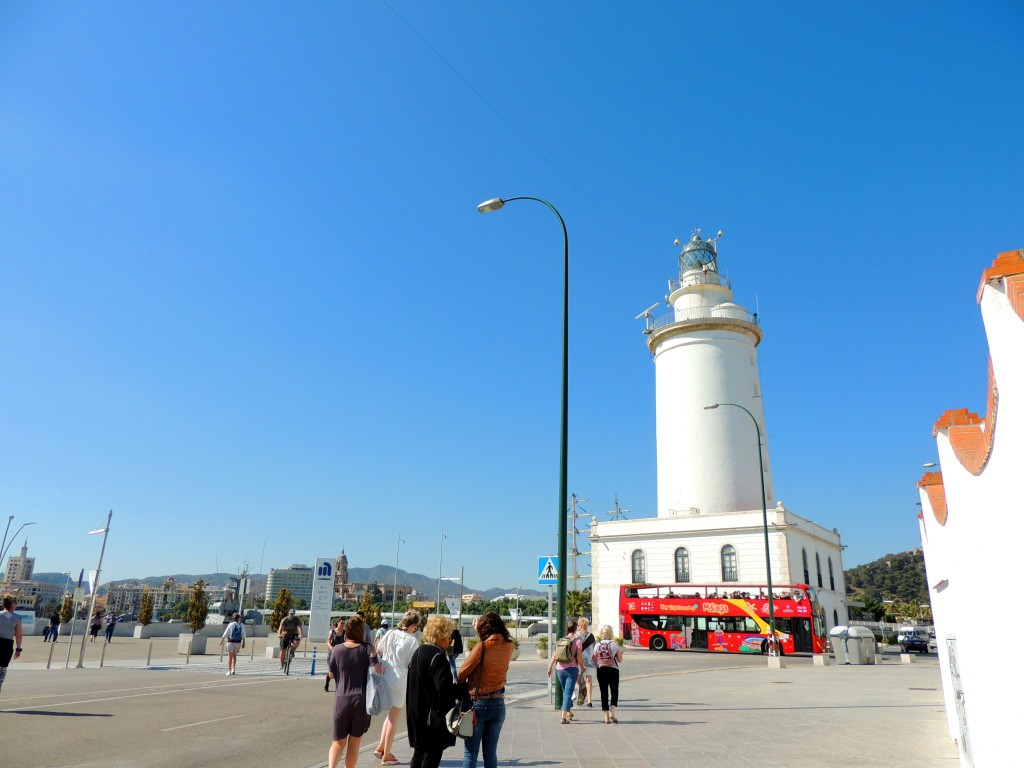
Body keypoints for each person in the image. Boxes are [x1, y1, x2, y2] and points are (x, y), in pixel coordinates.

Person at [406, 615, 466, 768]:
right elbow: (444, 690)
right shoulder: (438, 656)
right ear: (441, 635)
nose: (450, 639)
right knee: (431, 758)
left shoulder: (419, 652)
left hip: (416, 713)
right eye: (449, 635)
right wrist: (464, 690)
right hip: (431, 719)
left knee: (418, 755)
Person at [458, 611, 515, 768]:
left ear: (484, 629)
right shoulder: (509, 646)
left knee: (471, 753)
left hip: (478, 704)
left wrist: (463, 686)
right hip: (498, 703)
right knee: (490, 753)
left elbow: (462, 672)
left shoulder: (481, 647)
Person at [327, 615, 381, 768]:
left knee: (337, 741)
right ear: (361, 632)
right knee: (355, 742)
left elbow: (331, 675)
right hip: (361, 700)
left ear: (347, 631)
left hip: (341, 699)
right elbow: (377, 671)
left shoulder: (337, 650)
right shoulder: (368, 648)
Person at [374, 610, 422, 765]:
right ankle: (386, 754)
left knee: (389, 715)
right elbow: (413, 663)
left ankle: (381, 746)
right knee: (394, 716)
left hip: (386, 675)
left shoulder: (390, 633)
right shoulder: (412, 641)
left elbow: (378, 649)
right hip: (400, 678)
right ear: (413, 625)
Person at [546, 619, 584, 724]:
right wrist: (583, 667)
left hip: (559, 669)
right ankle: (563, 717)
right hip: (571, 669)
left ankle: (569, 712)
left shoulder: (561, 640)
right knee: (568, 692)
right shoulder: (577, 641)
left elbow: (554, 655)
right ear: (576, 629)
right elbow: (579, 657)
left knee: (565, 692)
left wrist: (549, 668)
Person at [594, 624, 624, 724]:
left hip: (601, 670)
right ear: (611, 633)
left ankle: (606, 717)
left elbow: (594, 658)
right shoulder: (614, 644)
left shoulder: (597, 645)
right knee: (614, 691)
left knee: (604, 692)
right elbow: (620, 660)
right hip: (613, 670)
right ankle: (613, 713)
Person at [0, 595, 23, 693]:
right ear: (13, 605)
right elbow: (18, 635)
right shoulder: (17, 618)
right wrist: (18, 649)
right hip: (6, 645)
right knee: (2, 669)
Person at [576, 617, 596, 707]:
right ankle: (589, 701)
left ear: (580, 626)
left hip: (579, 660)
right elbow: (595, 648)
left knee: (579, 679)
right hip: (590, 661)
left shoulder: (577, 635)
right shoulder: (591, 636)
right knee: (589, 680)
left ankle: (580, 696)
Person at [325, 616, 346, 692]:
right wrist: (331, 648)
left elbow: (347, 642)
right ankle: (327, 684)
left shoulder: (345, 633)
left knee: (339, 671)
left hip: (341, 654)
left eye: (344, 623)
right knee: (331, 672)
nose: (342, 624)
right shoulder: (332, 631)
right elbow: (328, 641)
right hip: (332, 654)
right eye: (341, 623)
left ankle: (338, 687)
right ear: (338, 623)